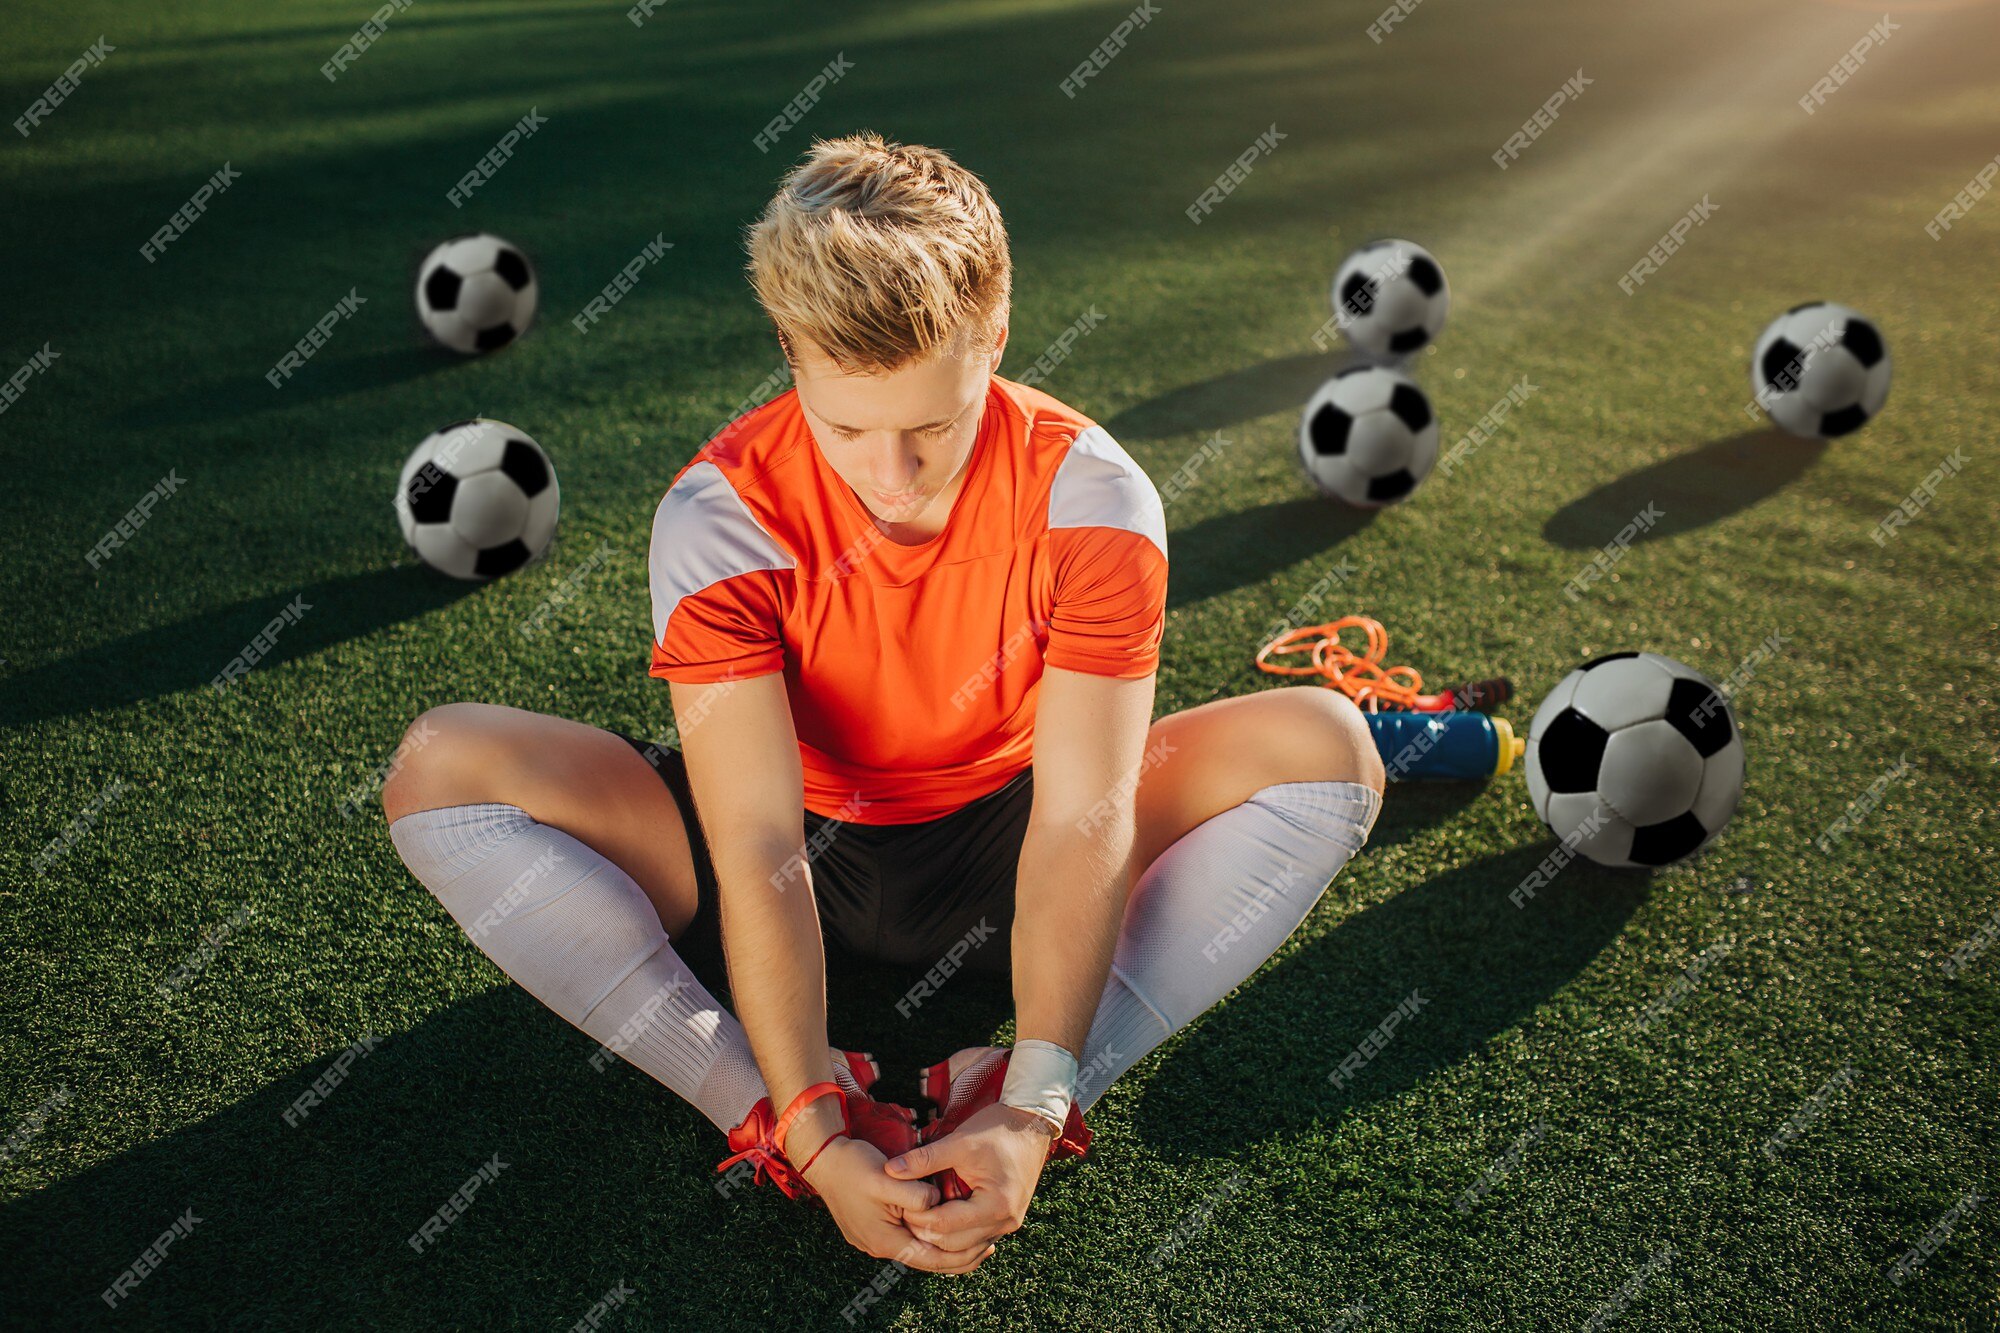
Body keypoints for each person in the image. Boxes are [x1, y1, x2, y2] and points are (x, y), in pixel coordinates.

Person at [381, 130, 1385, 1275]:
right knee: (441, 764)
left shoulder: (1093, 496)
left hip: (1011, 841)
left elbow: (1080, 816)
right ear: (791, 351)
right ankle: (750, 1101)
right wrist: (807, 1123)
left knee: (1325, 742)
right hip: (777, 841)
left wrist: (1039, 1098)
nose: (892, 477)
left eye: (933, 426)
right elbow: (756, 839)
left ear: (993, 337)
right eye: (848, 427)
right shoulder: (718, 517)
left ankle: (1013, 1089)